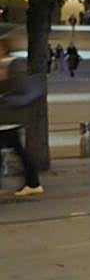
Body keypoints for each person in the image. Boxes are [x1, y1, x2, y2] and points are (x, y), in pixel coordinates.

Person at [0, 36, 45, 197]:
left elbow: (17, 87)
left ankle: (33, 183)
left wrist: (3, 79)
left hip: (8, 118)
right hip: (5, 118)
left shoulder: (14, 64)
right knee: (18, 150)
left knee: (19, 151)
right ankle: (33, 182)